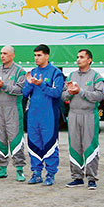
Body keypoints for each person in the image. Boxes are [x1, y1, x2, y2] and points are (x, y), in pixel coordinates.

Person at [22, 44, 64, 186]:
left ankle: (50, 174)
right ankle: (36, 173)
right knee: (33, 143)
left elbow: (57, 93)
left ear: (47, 56)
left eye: (39, 55)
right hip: (33, 114)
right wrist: (28, 83)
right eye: (35, 55)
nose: (36, 58)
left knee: (49, 144)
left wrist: (41, 84)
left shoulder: (55, 73)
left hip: (49, 115)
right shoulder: (32, 72)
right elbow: (25, 93)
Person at [62, 49, 104, 189]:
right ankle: (77, 177)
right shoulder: (71, 75)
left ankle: (92, 178)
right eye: (77, 57)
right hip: (73, 114)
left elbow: (99, 96)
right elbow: (63, 96)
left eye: (82, 57)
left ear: (89, 60)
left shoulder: (96, 77)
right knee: (74, 145)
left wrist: (80, 91)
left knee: (89, 146)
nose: (78, 59)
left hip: (89, 115)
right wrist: (69, 92)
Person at [0, 46, 28, 181]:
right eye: (1, 53)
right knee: (0, 138)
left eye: (5, 53)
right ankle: (1, 169)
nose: (2, 56)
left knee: (15, 138)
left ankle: (19, 169)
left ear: (12, 55)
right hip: (0, 108)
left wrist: (3, 86)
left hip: (13, 109)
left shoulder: (20, 71)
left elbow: (20, 90)